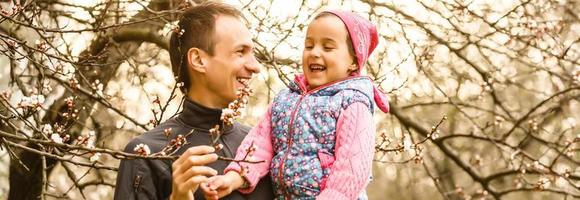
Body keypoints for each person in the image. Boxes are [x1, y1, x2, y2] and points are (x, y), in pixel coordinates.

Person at [201, 10, 390, 200]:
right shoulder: (285, 99)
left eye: (327, 47)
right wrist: (234, 177)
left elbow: (352, 171)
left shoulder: (352, 104)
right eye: (309, 45)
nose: (315, 53)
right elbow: (259, 144)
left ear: (353, 62)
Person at [114, 2, 273, 200]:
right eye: (240, 52)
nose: (255, 66)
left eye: (253, 53)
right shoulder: (148, 155)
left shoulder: (263, 147)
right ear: (198, 60)